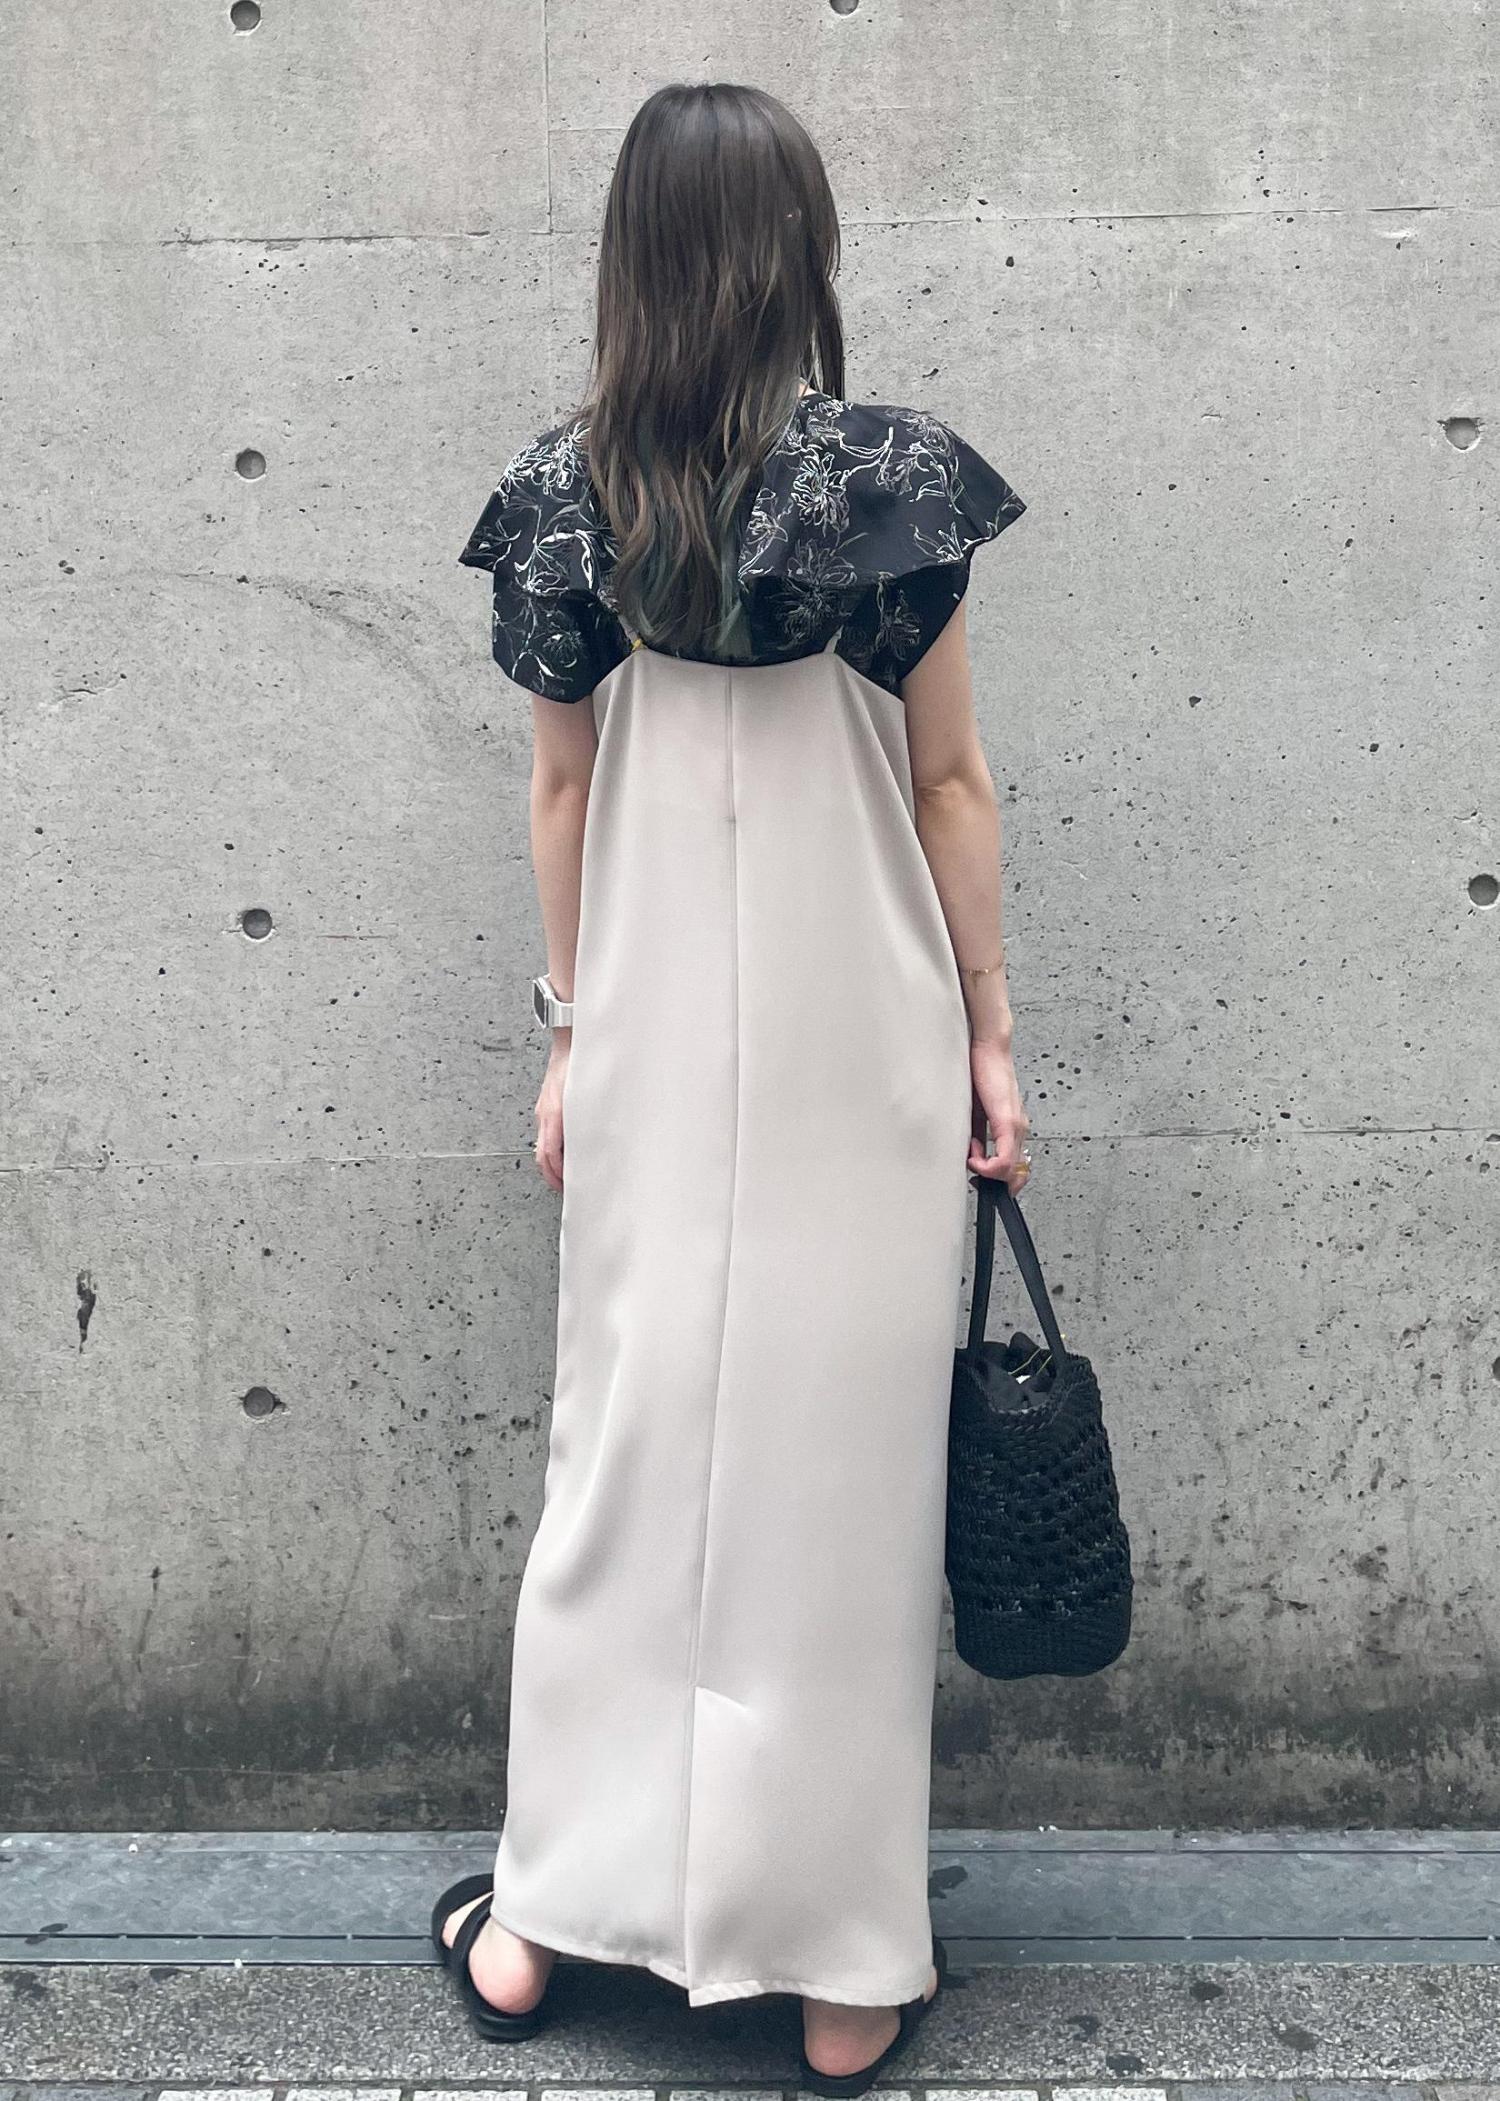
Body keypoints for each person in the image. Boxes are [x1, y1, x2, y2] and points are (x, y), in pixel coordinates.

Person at [431, 79, 1032, 2098]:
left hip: (654, 1009)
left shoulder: (564, 490)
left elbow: (562, 787)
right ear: (797, 254)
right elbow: (949, 783)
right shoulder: (892, 479)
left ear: (633, 257)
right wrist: (990, 1030)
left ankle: (542, 1918)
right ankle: (843, 1972)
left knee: (627, 1446)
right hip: (864, 1008)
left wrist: (571, 1031)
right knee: (837, 1477)